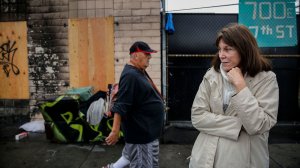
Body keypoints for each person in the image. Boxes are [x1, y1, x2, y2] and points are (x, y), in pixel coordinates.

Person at [189, 23, 279, 168]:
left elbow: (259, 125)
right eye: (219, 49)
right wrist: (239, 125)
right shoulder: (212, 75)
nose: (221, 55)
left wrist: (241, 86)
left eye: (228, 49)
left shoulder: (266, 79)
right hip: (205, 158)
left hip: (244, 161)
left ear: (245, 50)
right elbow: (197, 116)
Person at [103, 41, 165, 168]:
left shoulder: (139, 70)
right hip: (141, 135)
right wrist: (115, 131)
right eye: (147, 54)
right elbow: (121, 105)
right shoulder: (130, 75)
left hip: (148, 132)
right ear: (135, 56)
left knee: (134, 158)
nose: (150, 57)